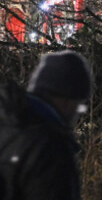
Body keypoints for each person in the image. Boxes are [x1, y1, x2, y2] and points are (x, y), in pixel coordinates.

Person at [0, 49, 92, 199]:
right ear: (67, 101)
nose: (78, 114)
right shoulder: (50, 147)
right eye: (79, 105)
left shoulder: (7, 121)